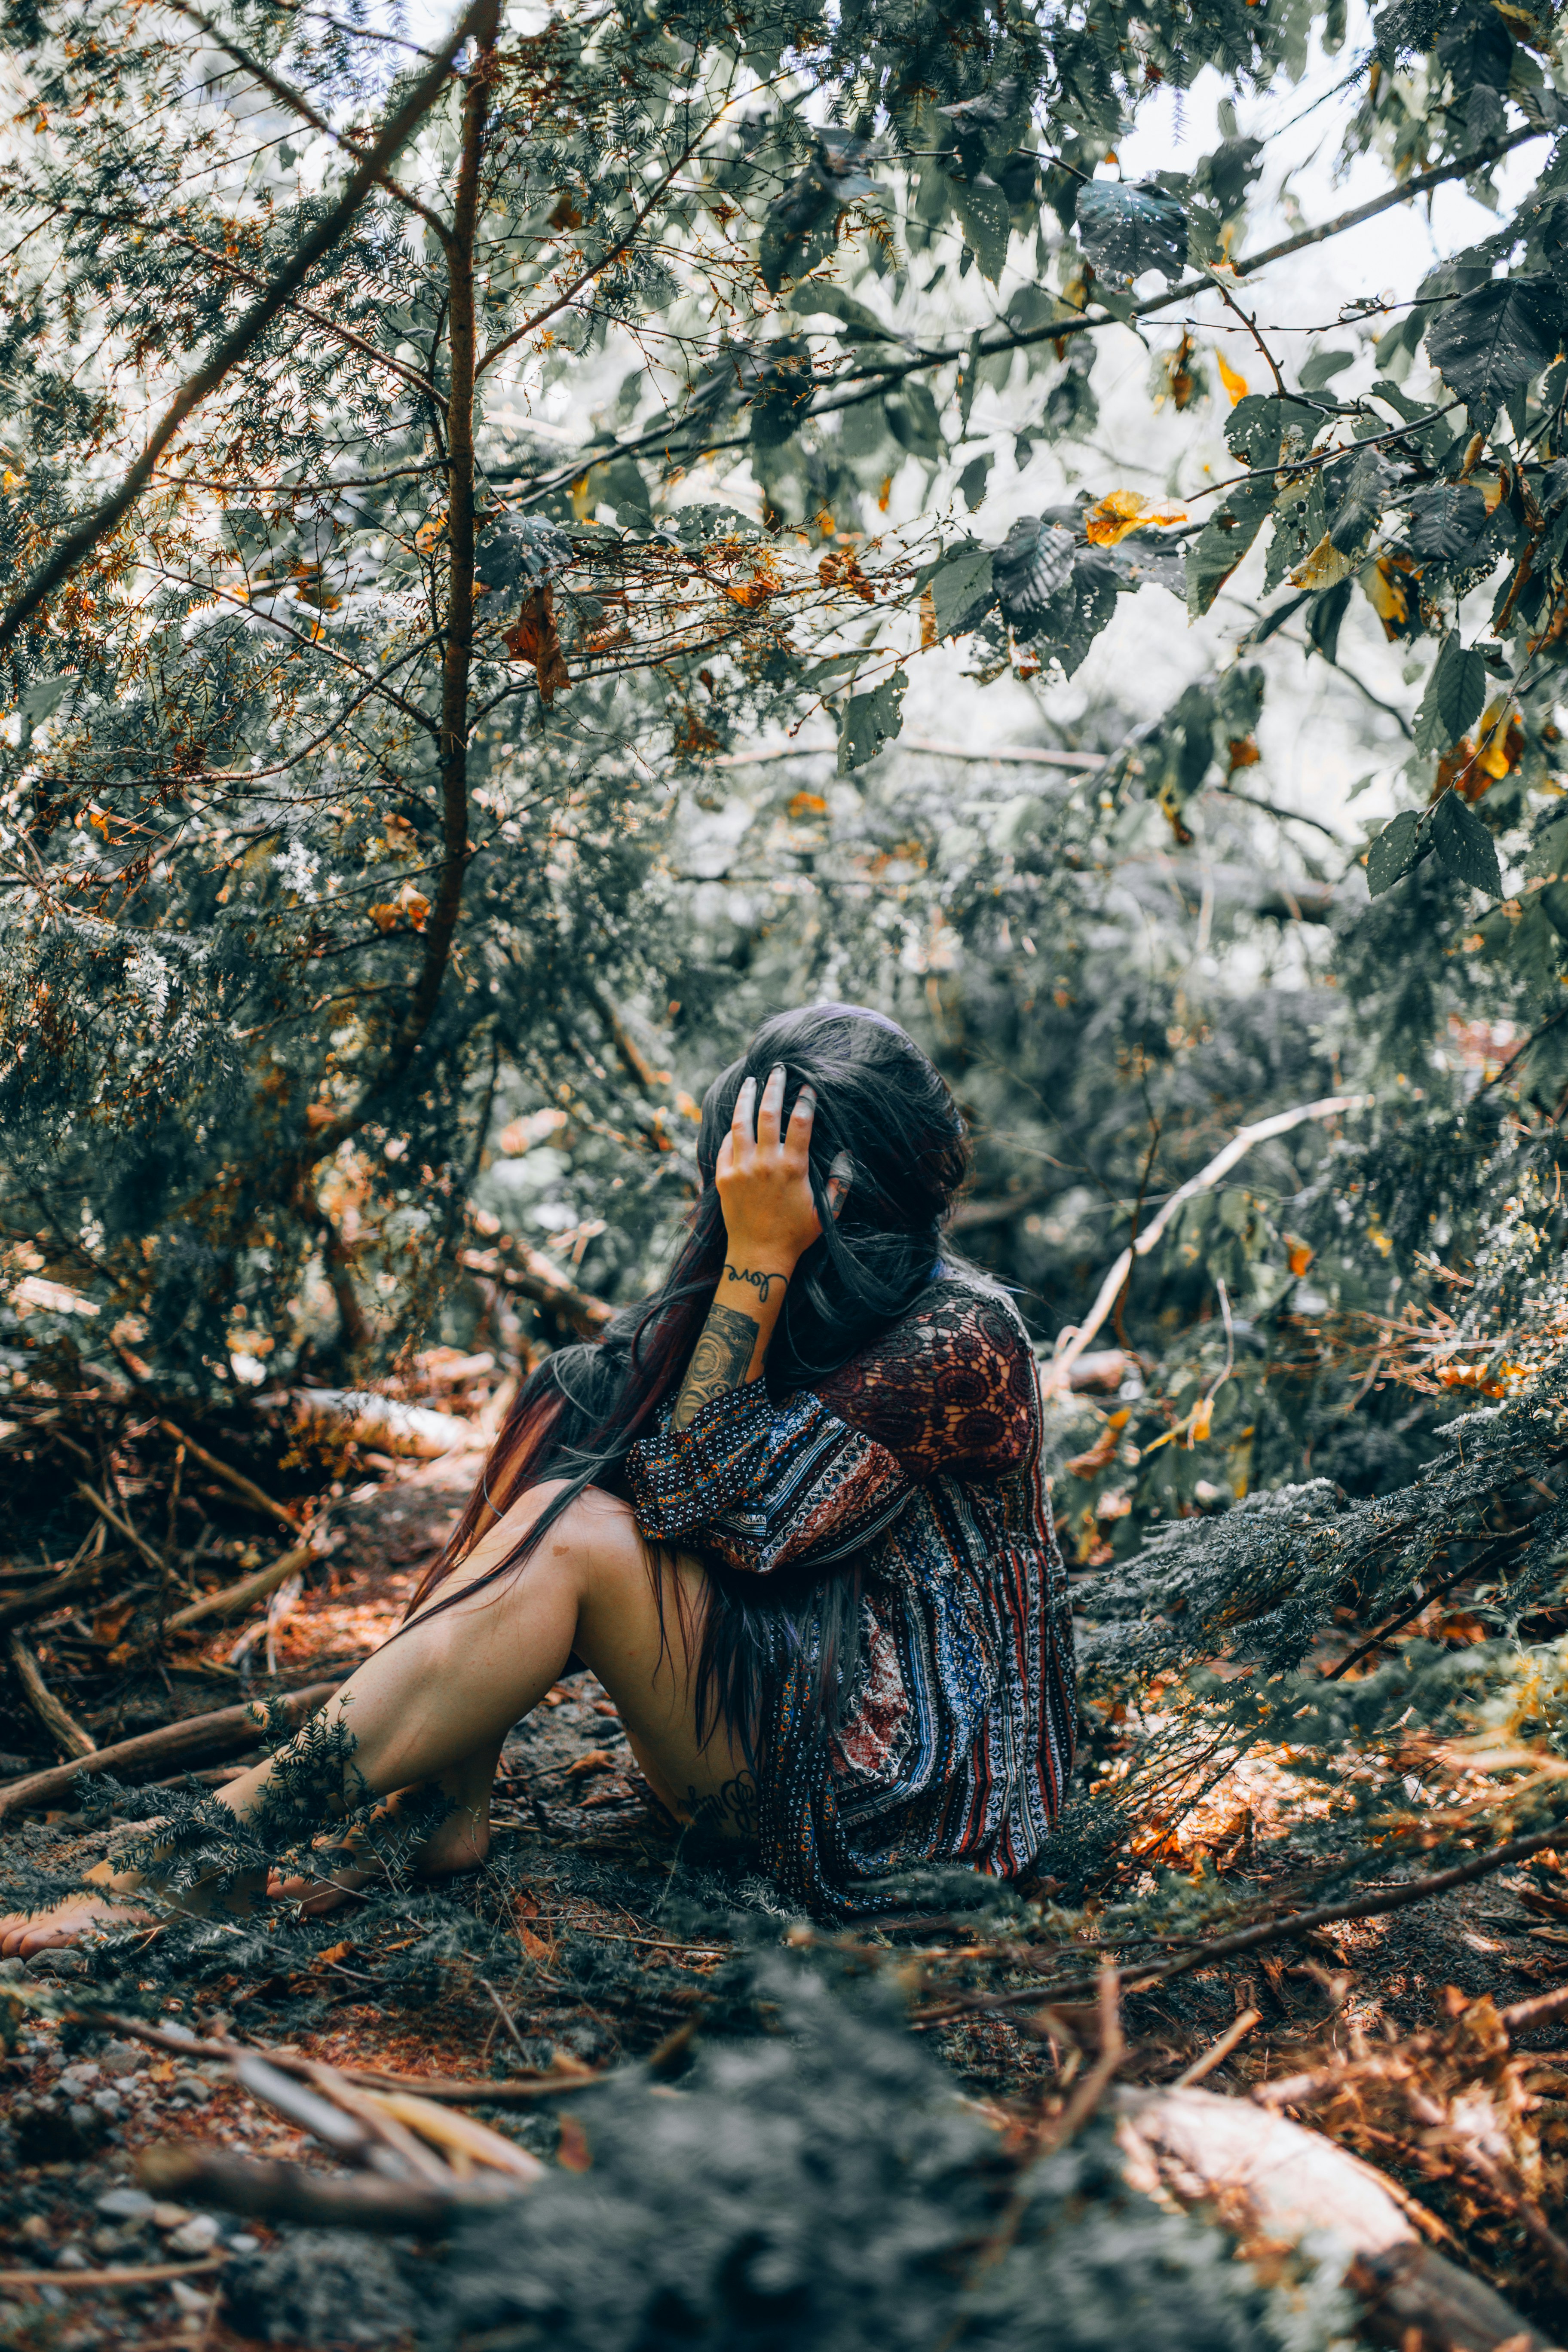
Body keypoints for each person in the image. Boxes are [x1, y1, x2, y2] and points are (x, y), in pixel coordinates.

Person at [0, 1005, 1075, 1951]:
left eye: (781, 1187)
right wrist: (745, 1268)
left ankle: (205, 1853)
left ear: (838, 1187)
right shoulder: (818, 1299)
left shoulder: (962, 1340)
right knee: (576, 1390)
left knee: (582, 1533)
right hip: (784, 1716)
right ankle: (442, 1799)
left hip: (895, 1803)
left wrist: (759, 1254)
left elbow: (692, 1501)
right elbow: (644, 1438)